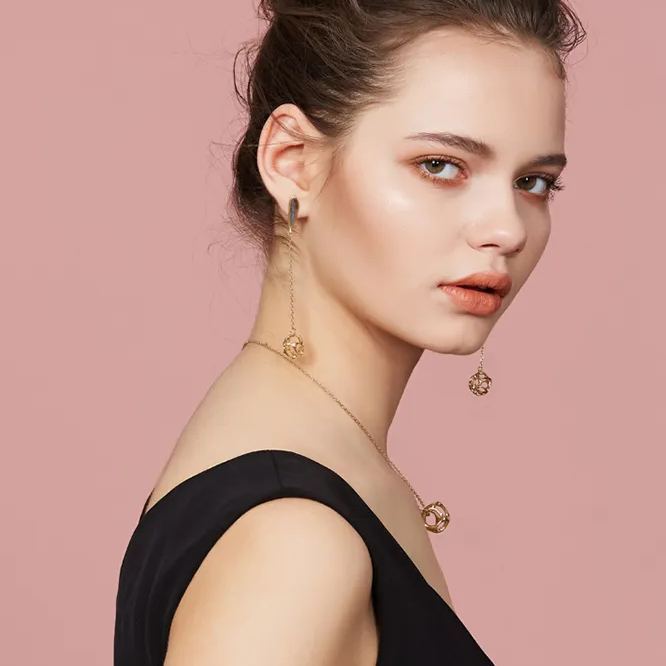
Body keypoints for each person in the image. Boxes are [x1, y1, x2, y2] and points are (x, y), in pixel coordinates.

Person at [114, 1, 587, 663]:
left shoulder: (310, 465)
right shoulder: (293, 546)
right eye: (440, 166)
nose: (507, 228)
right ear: (292, 162)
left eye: (534, 182)